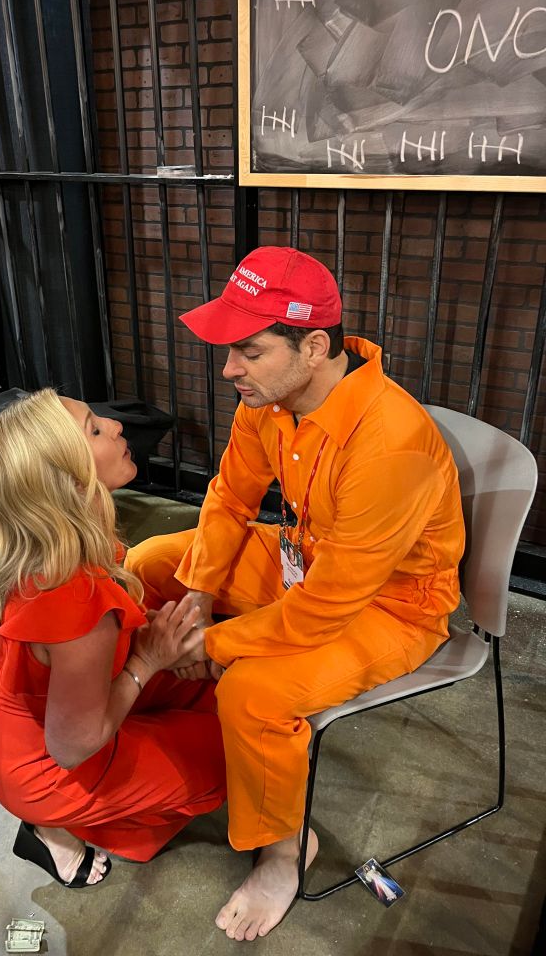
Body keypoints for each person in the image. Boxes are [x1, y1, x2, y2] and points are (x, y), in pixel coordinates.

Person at [125, 246, 465, 939]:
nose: (229, 371)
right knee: (155, 559)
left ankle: (284, 853)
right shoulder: (272, 399)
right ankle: (151, 700)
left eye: (248, 351)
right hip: (311, 564)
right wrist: (194, 596)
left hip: (394, 607)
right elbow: (227, 496)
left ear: (313, 346)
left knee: (252, 693)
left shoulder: (390, 443)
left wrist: (204, 641)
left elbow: (327, 608)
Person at [0, 388, 226, 887]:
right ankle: (58, 828)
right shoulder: (75, 598)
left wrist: (169, 654)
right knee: (230, 756)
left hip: (30, 728)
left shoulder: (39, 544)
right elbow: (72, 745)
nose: (116, 426)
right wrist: (148, 661)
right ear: (69, 480)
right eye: (94, 429)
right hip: (51, 763)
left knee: (216, 690)